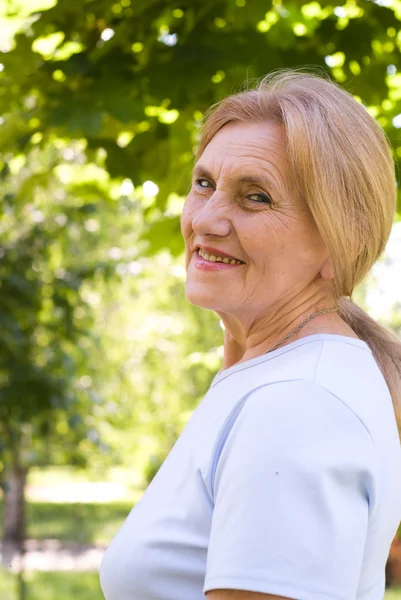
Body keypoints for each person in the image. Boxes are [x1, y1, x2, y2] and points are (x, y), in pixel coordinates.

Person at [99, 68, 401, 600]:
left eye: (255, 196)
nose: (207, 219)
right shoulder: (270, 378)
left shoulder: (301, 404)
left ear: (339, 242)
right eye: (204, 183)